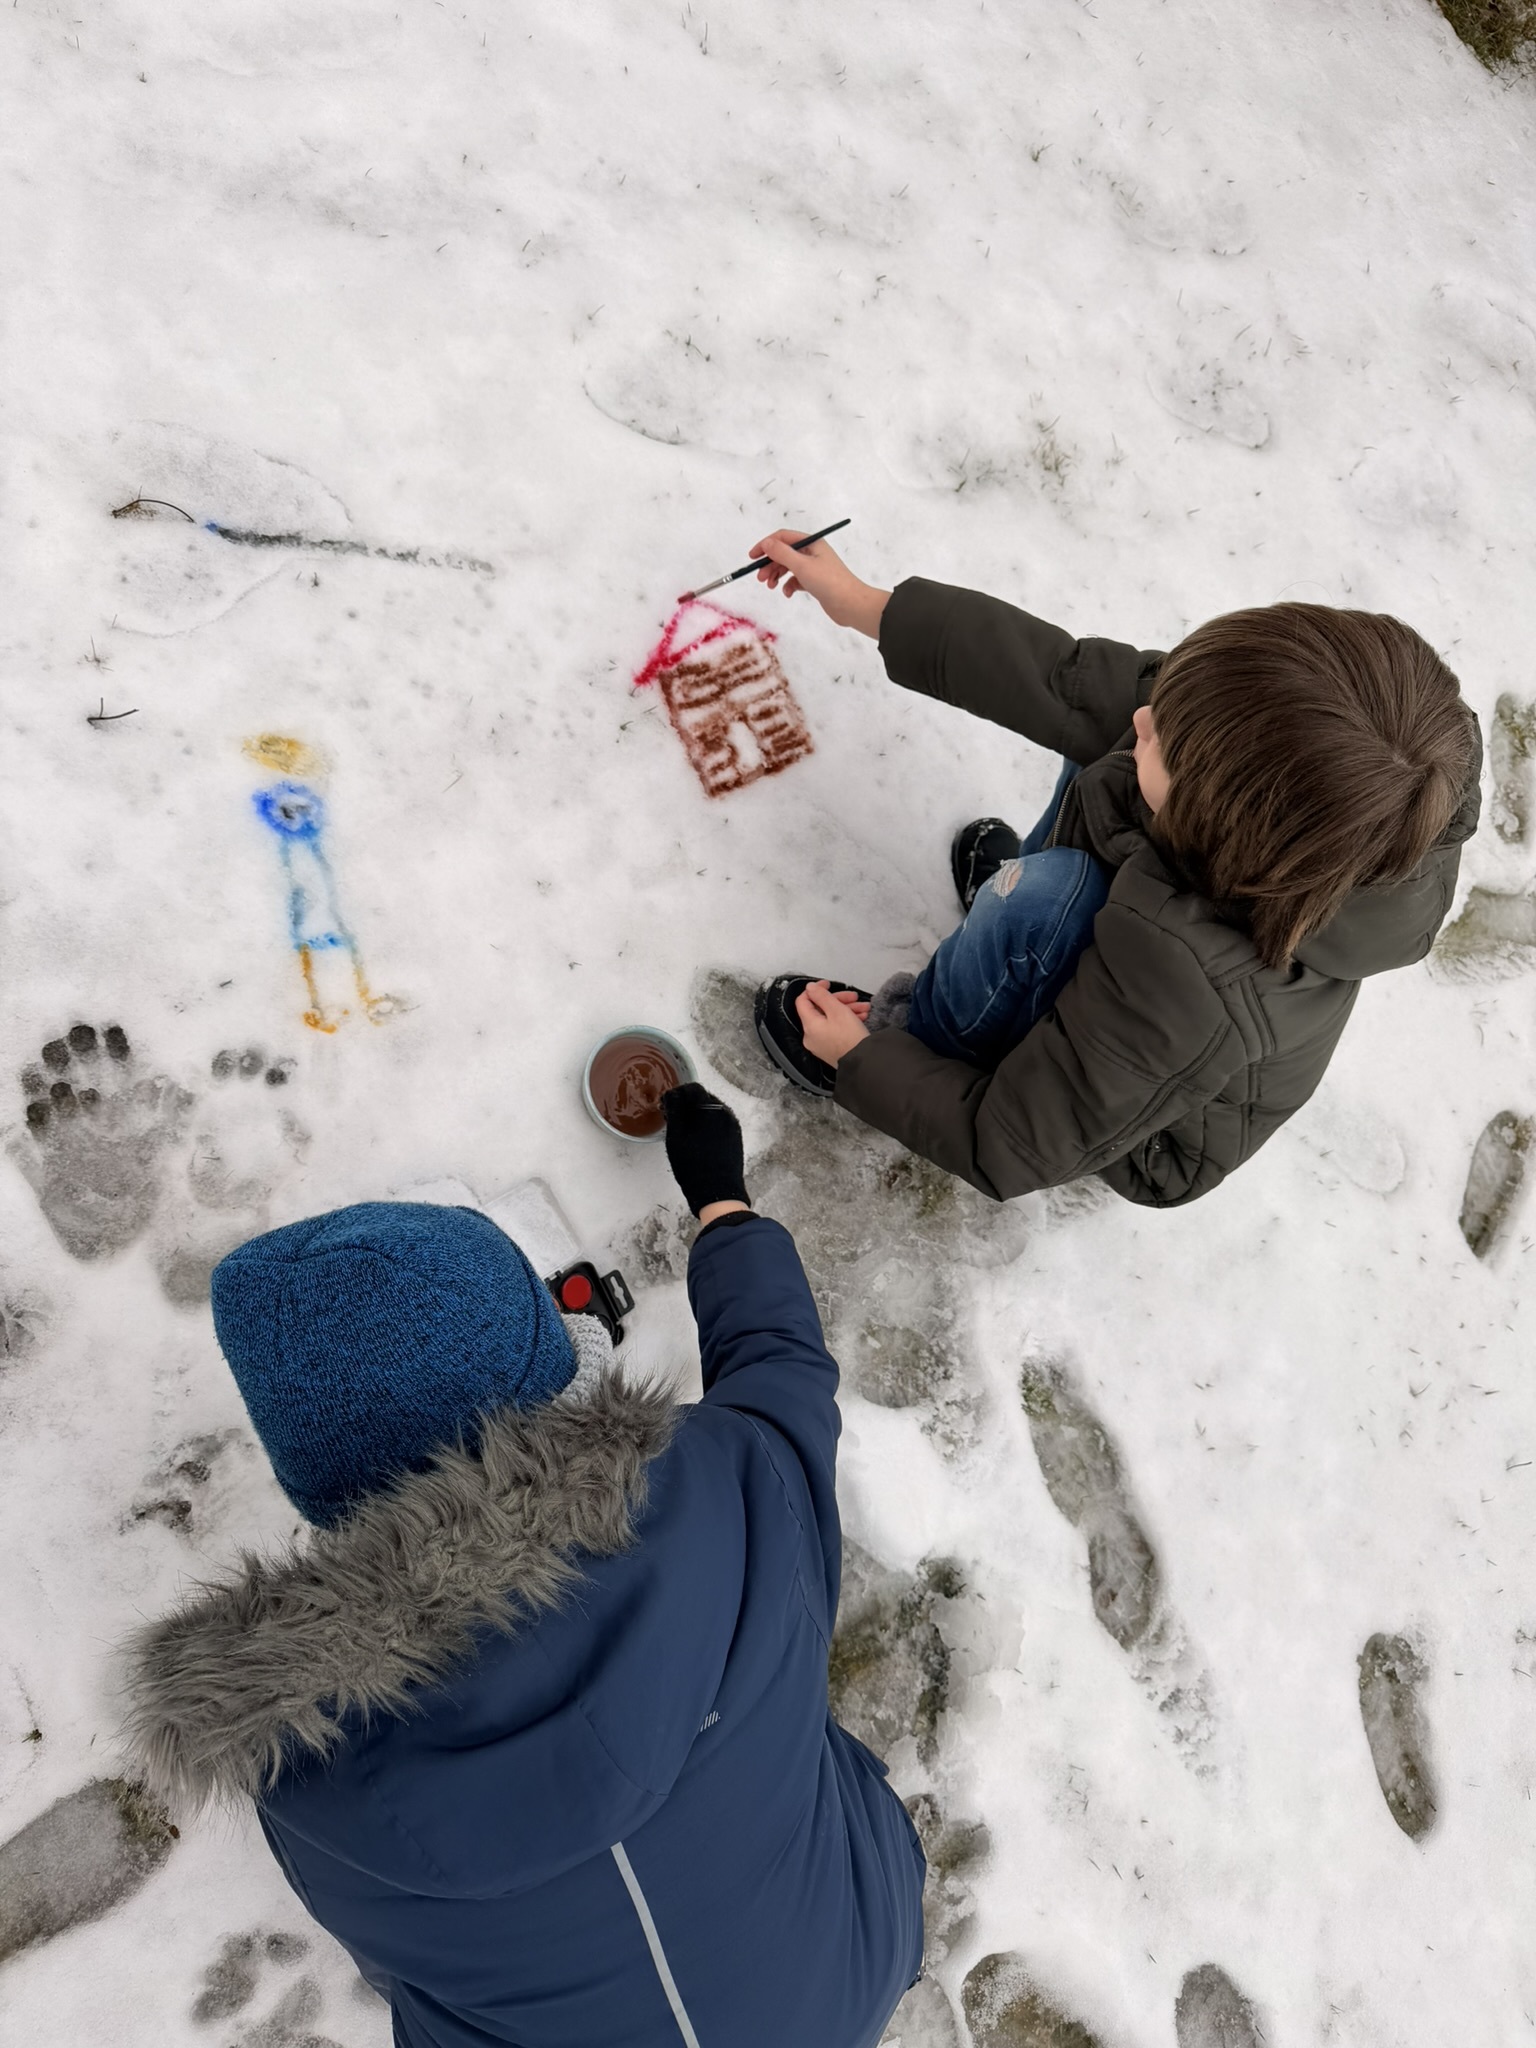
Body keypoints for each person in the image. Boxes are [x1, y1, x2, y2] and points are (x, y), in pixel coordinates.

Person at [120, 1085, 925, 2048]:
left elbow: (395, 1966)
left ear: (325, 1491)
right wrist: (722, 1199)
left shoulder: (304, 1770)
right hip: (857, 1962)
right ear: (552, 1375)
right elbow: (780, 1364)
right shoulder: (733, 1484)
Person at [746, 531, 1481, 1207]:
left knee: (1047, 896)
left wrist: (866, 1062)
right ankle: (1023, 926)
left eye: (1169, 737)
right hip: (1154, 976)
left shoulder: (1193, 985)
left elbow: (1008, 1142)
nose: (1144, 718)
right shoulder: (1329, 784)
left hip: (1132, 1111)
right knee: (1106, 752)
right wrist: (869, 606)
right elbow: (1068, 684)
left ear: (1226, 819)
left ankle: (930, 1027)